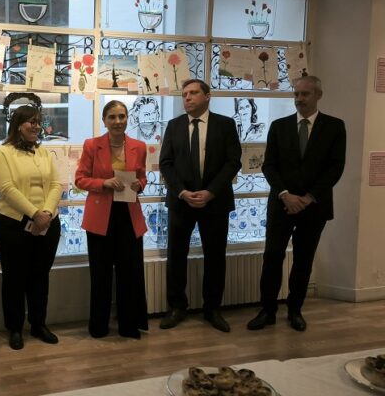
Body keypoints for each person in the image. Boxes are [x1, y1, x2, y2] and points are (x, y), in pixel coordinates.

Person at [247, 76, 346, 332]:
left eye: (305, 94)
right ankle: (268, 310)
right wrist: (285, 194)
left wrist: (309, 197)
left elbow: (335, 168)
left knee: (303, 259)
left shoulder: (335, 127)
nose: (299, 99)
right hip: (282, 204)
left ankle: (295, 310)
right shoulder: (279, 126)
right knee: (272, 257)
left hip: (314, 207)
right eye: (296, 94)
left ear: (318, 95)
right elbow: (269, 165)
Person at [159, 79, 241, 333]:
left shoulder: (225, 125)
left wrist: (210, 192)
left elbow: (233, 161)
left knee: (215, 257)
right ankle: (177, 307)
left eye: (193, 93)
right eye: (184, 94)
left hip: (214, 202)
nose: (187, 98)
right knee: (176, 256)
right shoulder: (174, 126)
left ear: (207, 96)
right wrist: (182, 192)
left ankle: (212, 309)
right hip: (181, 202)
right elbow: (166, 163)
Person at [0, 101, 62, 350]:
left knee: (40, 276)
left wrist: (46, 212)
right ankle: (14, 328)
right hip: (12, 224)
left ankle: (38, 324)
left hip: (47, 223)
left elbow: (56, 185)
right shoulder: (3, 152)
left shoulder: (43, 153)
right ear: (18, 125)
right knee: (14, 278)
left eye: (38, 122)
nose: (36, 126)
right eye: (31, 122)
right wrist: (34, 213)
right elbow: (6, 188)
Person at [75, 100, 149, 339]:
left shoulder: (139, 146)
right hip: (100, 217)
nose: (118, 121)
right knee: (101, 275)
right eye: (112, 117)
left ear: (127, 118)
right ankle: (98, 326)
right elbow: (80, 179)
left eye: (122, 116)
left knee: (130, 273)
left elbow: (142, 178)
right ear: (104, 121)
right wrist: (103, 183)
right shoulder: (92, 145)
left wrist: (139, 185)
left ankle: (129, 326)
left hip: (129, 215)